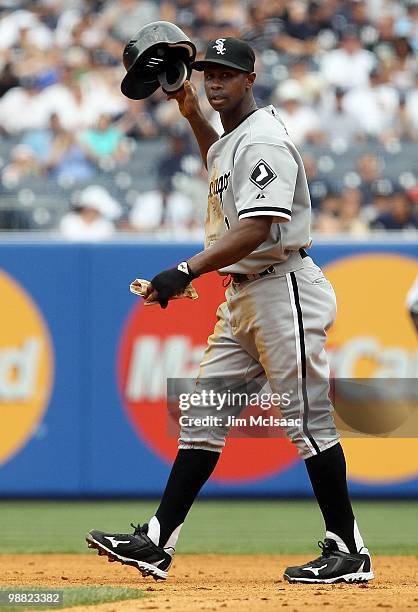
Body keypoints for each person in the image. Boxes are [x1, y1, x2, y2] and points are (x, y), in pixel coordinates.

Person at [86, 37, 373, 585]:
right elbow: (220, 169)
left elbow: (258, 225)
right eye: (207, 72)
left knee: (307, 421)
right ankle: (157, 541)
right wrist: (192, 114)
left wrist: (187, 269)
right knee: (202, 418)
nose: (213, 81)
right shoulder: (236, 140)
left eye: (225, 73)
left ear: (250, 79)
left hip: (281, 285)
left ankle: (348, 549)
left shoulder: (263, 138)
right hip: (245, 294)